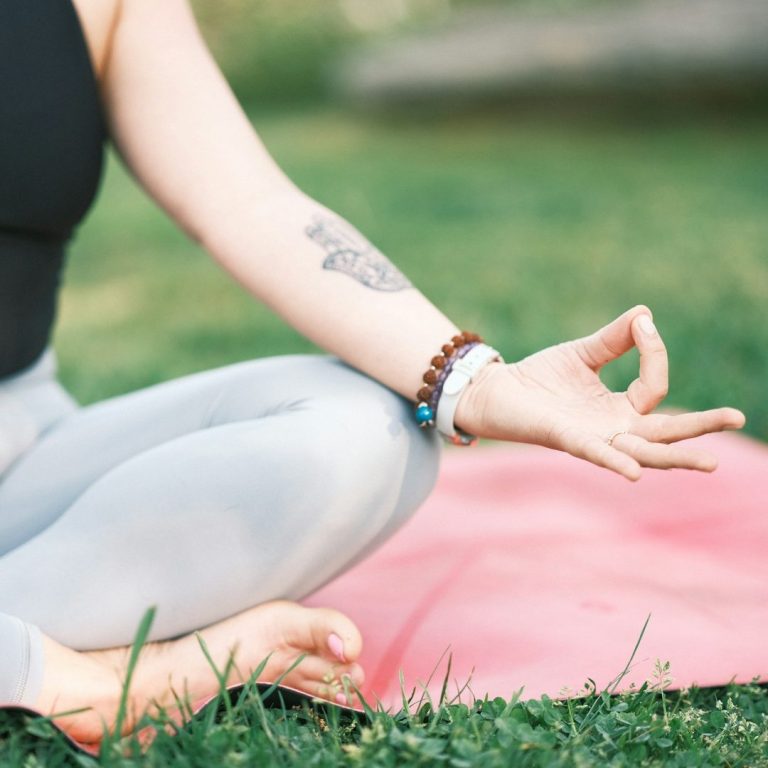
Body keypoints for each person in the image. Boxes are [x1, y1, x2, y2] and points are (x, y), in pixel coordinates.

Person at [0, 0, 745, 745]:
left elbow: (247, 201)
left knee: (374, 427)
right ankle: (86, 682)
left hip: (26, 436)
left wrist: (474, 381)